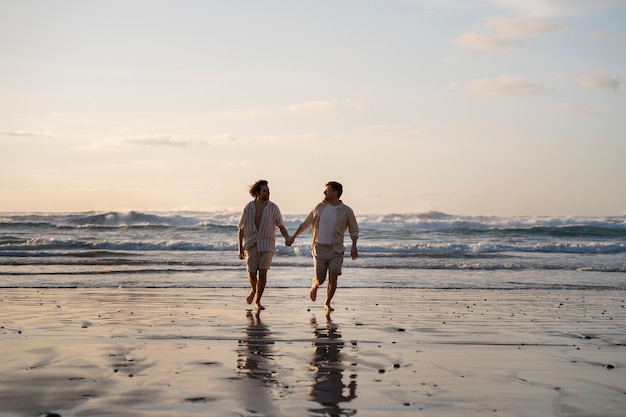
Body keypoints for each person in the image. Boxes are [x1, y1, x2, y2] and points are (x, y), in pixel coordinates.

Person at [287, 181, 359, 312]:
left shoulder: (346, 211)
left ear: (335, 193)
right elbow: (306, 224)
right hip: (319, 248)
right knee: (320, 279)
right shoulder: (319, 207)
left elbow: (354, 229)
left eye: (327, 190)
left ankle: (327, 303)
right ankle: (314, 286)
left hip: (336, 249)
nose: (324, 192)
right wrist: (293, 237)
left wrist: (354, 245)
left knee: (333, 277)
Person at [238, 180, 290, 311]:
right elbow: (241, 228)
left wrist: (287, 238)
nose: (268, 193)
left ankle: (258, 301)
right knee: (251, 274)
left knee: (263, 274)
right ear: (257, 193)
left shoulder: (273, 208)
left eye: (268, 190)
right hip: (251, 244)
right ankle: (253, 289)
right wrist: (240, 248)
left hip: (267, 244)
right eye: (265, 191)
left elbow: (281, 226)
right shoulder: (248, 207)